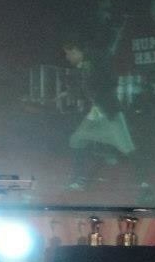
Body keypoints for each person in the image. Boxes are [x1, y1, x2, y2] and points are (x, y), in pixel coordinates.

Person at [61, 38, 149, 200]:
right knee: (76, 139)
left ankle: (145, 184)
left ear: (76, 51)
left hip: (109, 111)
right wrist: (70, 92)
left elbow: (108, 81)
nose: (67, 57)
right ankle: (78, 180)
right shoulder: (85, 66)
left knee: (127, 147)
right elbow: (90, 87)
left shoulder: (95, 61)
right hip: (98, 111)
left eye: (69, 53)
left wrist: (99, 97)